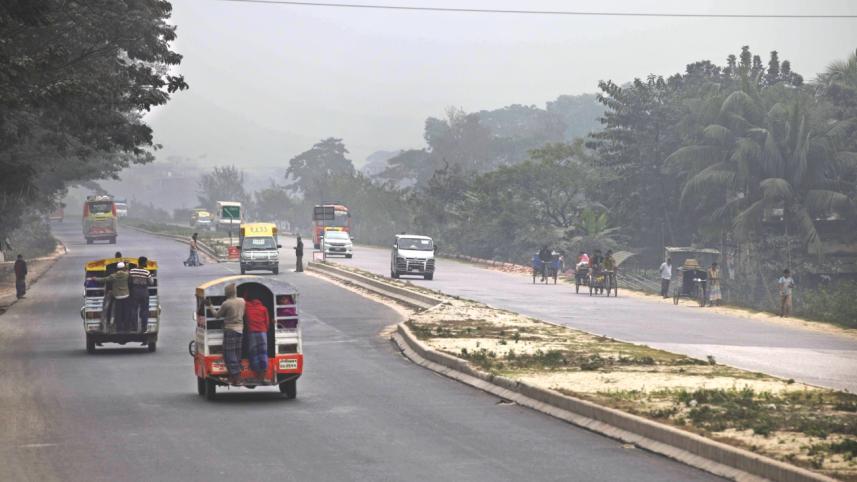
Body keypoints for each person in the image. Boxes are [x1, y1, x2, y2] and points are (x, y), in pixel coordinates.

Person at [209, 283, 246, 384]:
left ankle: (236, 376)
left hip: (230, 330)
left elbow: (216, 315)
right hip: (240, 329)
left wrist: (210, 306)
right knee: (237, 353)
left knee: (229, 354)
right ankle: (234, 377)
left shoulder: (227, 303)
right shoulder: (242, 301)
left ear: (227, 293)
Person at [90, 262, 132, 331]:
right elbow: (128, 271)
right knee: (126, 312)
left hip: (118, 296)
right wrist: (127, 266)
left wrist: (95, 278)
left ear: (117, 269)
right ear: (123, 268)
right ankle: (127, 327)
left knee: (118, 313)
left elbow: (104, 279)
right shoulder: (126, 275)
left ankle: (119, 328)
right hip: (126, 296)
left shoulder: (113, 276)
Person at [244, 296, 271, 380]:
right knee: (263, 352)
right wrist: (266, 330)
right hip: (262, 332)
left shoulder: (248, 308)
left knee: (254, 352)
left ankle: (256, 372)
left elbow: (244, 300)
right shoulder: (263, 308)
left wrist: (245, 294)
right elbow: (267, 322)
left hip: (252, 333)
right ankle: (263, 373)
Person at [129, 257, 154, 332]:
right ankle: (144, 328)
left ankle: (134, 327)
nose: (146, 264)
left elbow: (129, 280)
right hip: (144, 292)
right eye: (146, 262)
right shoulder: (146, 272)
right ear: (143, 263)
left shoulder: (132, 271)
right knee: (144, 310)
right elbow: (151, 283)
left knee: (134, 310)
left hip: (134, 291)